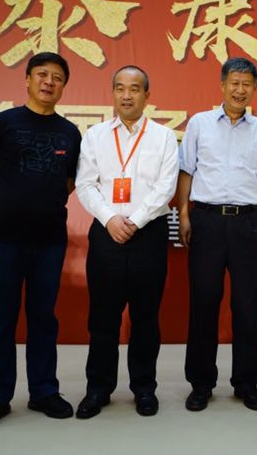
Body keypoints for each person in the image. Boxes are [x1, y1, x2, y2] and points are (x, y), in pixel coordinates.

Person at [0, 52, 81, 432]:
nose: (49, 82)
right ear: (28, 80)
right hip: (4, 236)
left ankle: (44, 391)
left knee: (43, 318)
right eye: (42, 75)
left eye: (57, 77)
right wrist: (11, 205)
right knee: (1, 318)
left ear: (63, 86)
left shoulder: (70, 132)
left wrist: (39, 206)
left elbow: (69, 182)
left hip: (49, 239)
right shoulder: (0, 124)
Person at [74, 65, 179, 418]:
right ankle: (98, 389)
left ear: (147, 95)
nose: (127, 95)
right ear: (113, 93)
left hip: (148, 233)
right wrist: (110, 219)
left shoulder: (163, 137)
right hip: (107, 233)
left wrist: (134, 220)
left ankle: (144, 389)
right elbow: (85, 184)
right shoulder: (95, 136)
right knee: (103, 317)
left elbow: (166, 186)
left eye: (134, 89)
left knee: (145, 317)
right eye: (120, 88)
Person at [177, 57, 257, 412]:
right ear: (222, 85)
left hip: (249, 223)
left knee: (247, 305)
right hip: (206, 221)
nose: (240, 90)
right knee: (204, 303)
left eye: (246, 84)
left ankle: (247, 383)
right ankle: (201, 383)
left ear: (255, 89)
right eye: (234, 83)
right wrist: (185, 215)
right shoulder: (200, 124)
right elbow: (186, 172)